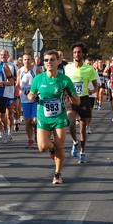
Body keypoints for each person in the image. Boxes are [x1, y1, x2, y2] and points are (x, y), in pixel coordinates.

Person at [28, 50, 80, 184]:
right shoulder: (38, 79)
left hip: (59, 118)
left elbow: (77, 101)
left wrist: (70, 94)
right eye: (46, 60)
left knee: (60, 146)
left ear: (58, 61)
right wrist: (32, 97)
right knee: (42, 147)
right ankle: (51, 148)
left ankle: (57, 174)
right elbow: (30, 94)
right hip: (43, 118)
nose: (49, 62)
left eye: (52, 59)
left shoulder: (64, 80)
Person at [64, 42, 98, 163]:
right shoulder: (67, 68)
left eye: (79, 52)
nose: (77, 54)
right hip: (71, 99)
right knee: (71, 122)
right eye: (74, 52)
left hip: (84, 100)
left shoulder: (89, 69)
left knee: (82, 129)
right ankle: (75, 142)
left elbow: (96, 85)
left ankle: (82, 153)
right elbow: (63, 82)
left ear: (83, 54)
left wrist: (92, 90)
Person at [18, 53, 39, 148]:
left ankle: (36, 131)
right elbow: (17, 84)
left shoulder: (36, 70)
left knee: (35, 120)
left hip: (34, 99)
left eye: (28, 59)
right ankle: (30, 139)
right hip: (24, 99)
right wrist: (16, 88)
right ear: (22, 61)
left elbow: (41, 82)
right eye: (25, 59)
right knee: (27, 121)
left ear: (32, 60)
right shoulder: (20, 71)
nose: (27, 61)